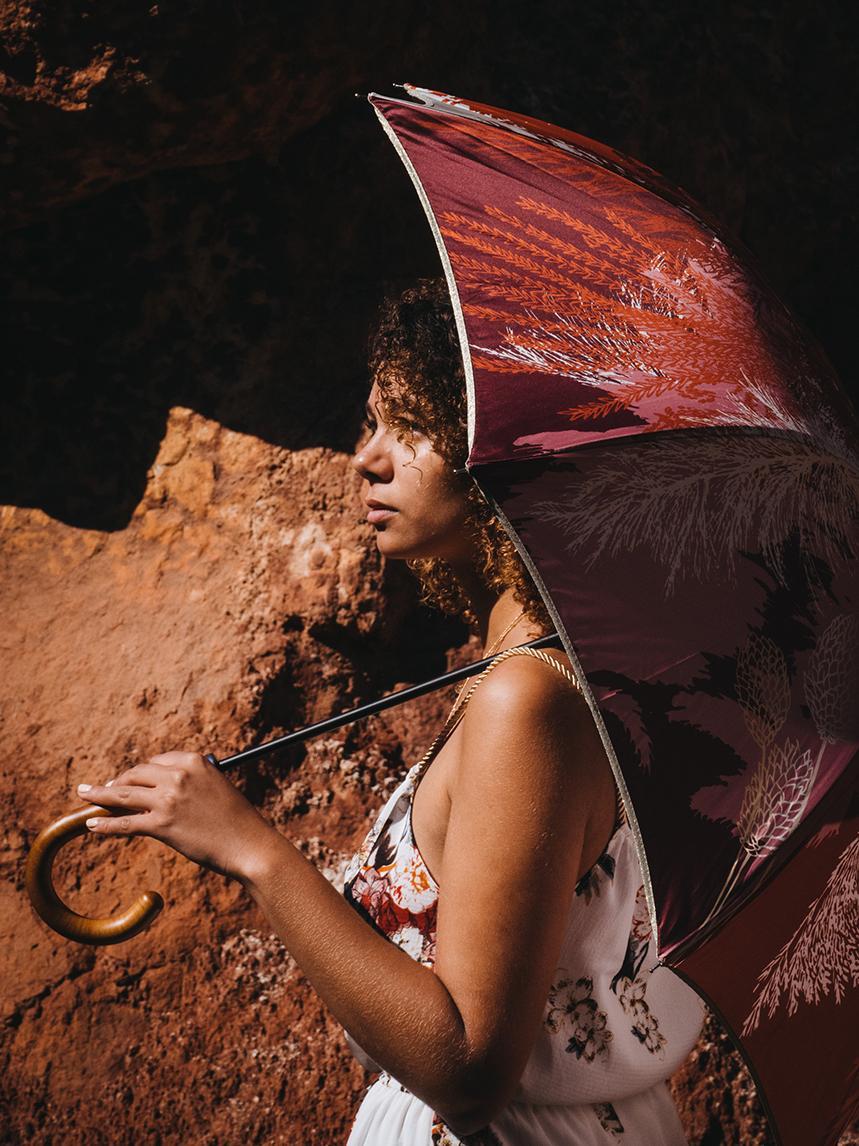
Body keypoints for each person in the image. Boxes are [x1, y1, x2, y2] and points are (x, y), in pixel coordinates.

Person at [75, 278, 705, 1143]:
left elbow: (470, 1066)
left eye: (409, 428)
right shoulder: (573, 678)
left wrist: (254, 851)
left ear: (500, 451)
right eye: (371, 423)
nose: (365, 458)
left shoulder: (527, 702)